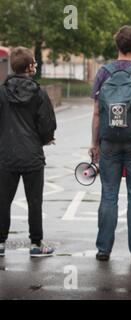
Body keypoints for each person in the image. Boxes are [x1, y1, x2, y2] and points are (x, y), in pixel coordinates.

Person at [89, 26, 131, 263]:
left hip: (108, 142)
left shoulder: (103, 73)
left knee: (108, 195)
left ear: (117, 45)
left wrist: (94, 143)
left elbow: (97, 113)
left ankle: (103, 250)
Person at [0, 47, 57, 258]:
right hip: (32, 155)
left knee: (2, 201)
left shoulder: (2, 93)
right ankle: (35, 244)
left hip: (6, 155)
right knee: (34, 201)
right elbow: (47, 123)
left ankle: (0, 243)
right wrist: (46, 139)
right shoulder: (39, 93)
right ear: (29, 67)